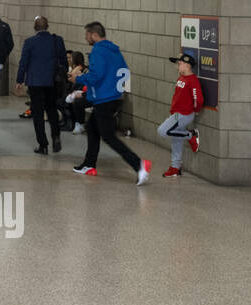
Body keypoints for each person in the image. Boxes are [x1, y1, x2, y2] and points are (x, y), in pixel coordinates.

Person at [71, 22, 150, 184]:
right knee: (91, 128)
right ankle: (89, 164)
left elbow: (95, 75)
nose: (86, 38)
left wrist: (77, 78)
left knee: (108, 136)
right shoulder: (114, 51)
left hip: (104, 99)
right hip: (113, 97)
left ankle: (139, 164)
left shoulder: (98, 50)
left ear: (94, 35)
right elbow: (124, 72)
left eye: (87, 35)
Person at [15, 16, 68, 155]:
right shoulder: (57, 41)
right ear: (48, 26)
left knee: (37, 113)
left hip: (35, 82)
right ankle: (56, 136)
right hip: (51, 82)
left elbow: (23, 63)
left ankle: (43, 145)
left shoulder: (30, 42)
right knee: (51, 109)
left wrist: (19, 80)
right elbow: (64, 61)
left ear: (35, 27)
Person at [158, 52, 203, 178]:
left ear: (188, 65)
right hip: (177, 114)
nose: (177, 66)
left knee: (162, 131)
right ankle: (175, 168)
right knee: (176, 140)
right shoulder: (181, 78)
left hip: (184, 114)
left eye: (180, 63)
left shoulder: (192, 80)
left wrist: (194, 110)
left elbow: (198, 99)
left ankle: (190, 135)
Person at [66, 51, 88, 133]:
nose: (69, 59)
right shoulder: (75, 67)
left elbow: (71, 79)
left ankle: (77, 123)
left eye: (70, 58)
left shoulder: (79, 68)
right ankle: (74, 122)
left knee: (76, 101)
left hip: (86, 91)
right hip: (83, 90)